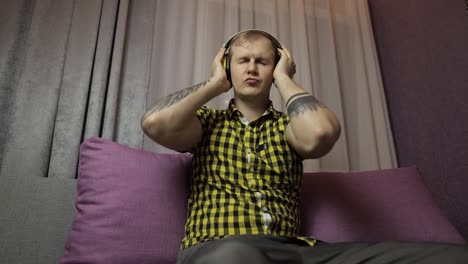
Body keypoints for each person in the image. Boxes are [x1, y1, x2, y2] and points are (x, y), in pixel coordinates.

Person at [142, 29, 468, 264]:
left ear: (277, 67)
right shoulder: (205, 122)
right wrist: (215, 83)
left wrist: (284, 79)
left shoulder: (290, 128)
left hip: (298, 251)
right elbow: (155, 123)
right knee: (236, 256)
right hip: (220, 249)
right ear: (228, 66)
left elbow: (322, 133)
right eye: (242, 61)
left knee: (450, 257)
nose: (252, 68)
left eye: (263, 62)